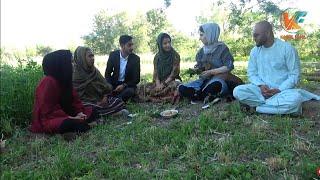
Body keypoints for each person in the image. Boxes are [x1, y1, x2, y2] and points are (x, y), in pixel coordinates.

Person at [233, 21, 320, 115]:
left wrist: (279, 89)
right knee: (238, 91)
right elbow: (252, 73)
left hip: (283, 92)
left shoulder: (287, 48)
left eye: (256, 35)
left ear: (267, 33)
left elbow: (294, 75)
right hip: (260, 92)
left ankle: (257, 107)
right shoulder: (254, 51)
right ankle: (272, 107)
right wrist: (261, 85)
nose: (254, 38)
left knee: (295, 99)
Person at [30, 50, 97, 134]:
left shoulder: (64, 80)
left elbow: (75, 100)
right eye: (71, 62)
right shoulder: (48, 81)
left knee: (93, 111)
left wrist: (79, 113)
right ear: (62, 64)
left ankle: (82, 126)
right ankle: (86, 126)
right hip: (50, 118)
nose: (74, 65)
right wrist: (70, 118)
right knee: (70, 124)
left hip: (67, 114)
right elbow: (48, 110)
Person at [178, 23, 243, 107]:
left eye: (201, 35)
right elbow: (200, 66)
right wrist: (197, 70)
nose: (199, 38)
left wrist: (211, 72)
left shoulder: (222, 49)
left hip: (219, 79)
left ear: (210, 34)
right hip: (204, 80)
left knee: (215, 85)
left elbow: (228, 67)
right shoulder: (201, 51)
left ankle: (198, 95)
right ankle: (201, 94)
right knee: (181, 88)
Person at [72, 46, 125, 115]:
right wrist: (95, 102)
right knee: (89, 109)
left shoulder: (94, 71)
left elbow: (106, 86)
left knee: (118, 101)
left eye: (93, 56)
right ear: (81, 58)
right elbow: (77, 96)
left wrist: (105, 97)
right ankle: (111, 113)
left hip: (100, 99)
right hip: (87, 102)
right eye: (90, 56)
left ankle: (105, 113)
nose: (93, 58)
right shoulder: (74, 74)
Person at [137, 33, 181, 103]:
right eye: (165, 43)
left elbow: (174, 74)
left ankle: (156, 97)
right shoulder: (157, 57)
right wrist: (158, 84)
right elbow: (156, 73)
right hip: (159, 82)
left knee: (176, 86)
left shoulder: (175, 55)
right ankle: (160, 96)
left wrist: (163, 84)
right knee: (141, 87)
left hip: (170, 82)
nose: (168, 45)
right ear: (160, 45)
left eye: (169, 42)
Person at [105, 35, 140, 102]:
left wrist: (124, 85)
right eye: (129, 45)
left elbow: (136, 79)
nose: (132, 47)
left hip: (127, 85)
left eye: (132, 45)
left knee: (130, 91)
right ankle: (116, 99)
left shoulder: (135, 59)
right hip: (114, 84)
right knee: (104, 87)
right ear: (122, 45)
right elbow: (107, 74)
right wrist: (109, 85)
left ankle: (115, 100)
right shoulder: (113, 55)